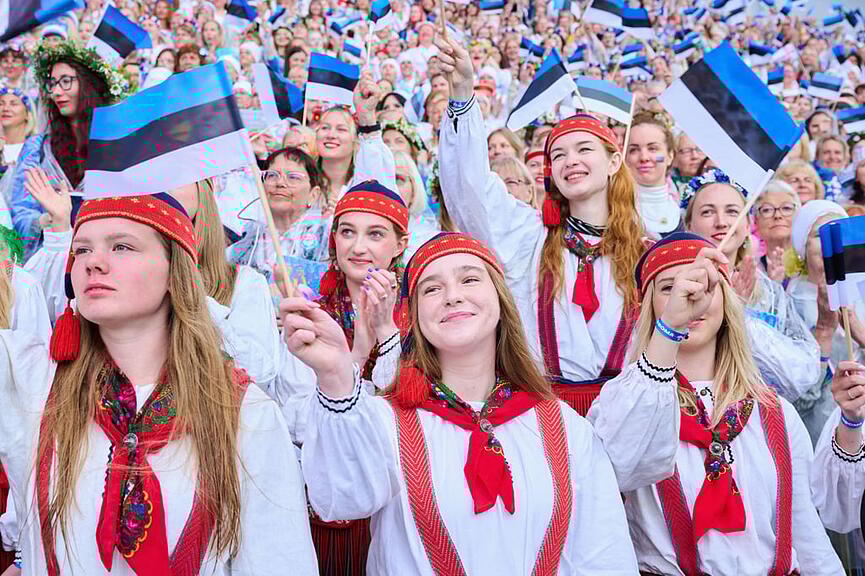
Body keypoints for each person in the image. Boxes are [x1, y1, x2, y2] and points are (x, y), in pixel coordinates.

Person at [284, 232, 639, 574]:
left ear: (501, 300)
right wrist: (335, 376)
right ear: (414, 317)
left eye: (469, 280)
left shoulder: (563, 426)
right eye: (432, 289)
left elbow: (603, 557)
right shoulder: (384, 420)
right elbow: (344, 500)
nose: (452, 296)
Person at [0, 194, 317, 574]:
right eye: (81, 249)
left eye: (121, 246)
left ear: (174, 270)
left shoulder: (244, 411)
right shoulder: (32, 382)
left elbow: (279, 561)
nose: (93, 262)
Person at [588, 232, 844, 574]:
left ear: (726, 300)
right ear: (648, 306)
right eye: (669, 288)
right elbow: (621, 467)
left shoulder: (774, 412)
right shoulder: (626, 401)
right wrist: (669, 330)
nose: (689, 296)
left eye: (704, 285)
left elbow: (806, 532)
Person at [436, 35, 645, 415]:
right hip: (543, 416)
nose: (570, 161)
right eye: (558, 155)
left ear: (614, 162)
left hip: (625, 417)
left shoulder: (645, 252)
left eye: (584, 149)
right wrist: (463, 93)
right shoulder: (529, 237)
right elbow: (470, 190)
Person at [682, 169, 820, 403]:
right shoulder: (677, 286)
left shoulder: (770, 291)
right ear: (689, 225)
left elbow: (801, 377)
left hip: (759, 410)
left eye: (732, 211)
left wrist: (744, 319)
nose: (721, 222)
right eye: (707, 212)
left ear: (747, 224)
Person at [10, 41, 130, 260]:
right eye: (52, 83)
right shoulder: (37, 148)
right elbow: (19, 211)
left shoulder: (118, 144)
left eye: (66, 81)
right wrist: (44, 220)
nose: (56, 92)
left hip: (104, 259)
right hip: (50, 257)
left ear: (88, 84)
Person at [787, 201, 865, 443]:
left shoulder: (861, 291)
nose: (832, 242)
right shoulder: (788, 303)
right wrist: (823, 332)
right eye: (821, 235)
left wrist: (858, 332)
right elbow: (797, 398)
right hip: (820, 433)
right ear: (802, 247)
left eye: (838, 233)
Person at [625, 111, 681, 238]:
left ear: (670, 156)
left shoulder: (686, 210)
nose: (644, 157)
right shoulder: (612, 208)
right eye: (634, 150)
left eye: (653, 148)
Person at [753, 180, 799, 284]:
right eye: (767, 210)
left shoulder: (813, 265)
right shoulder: (751, 272)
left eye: (786, 208)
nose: (777, 215)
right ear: (756, 221)